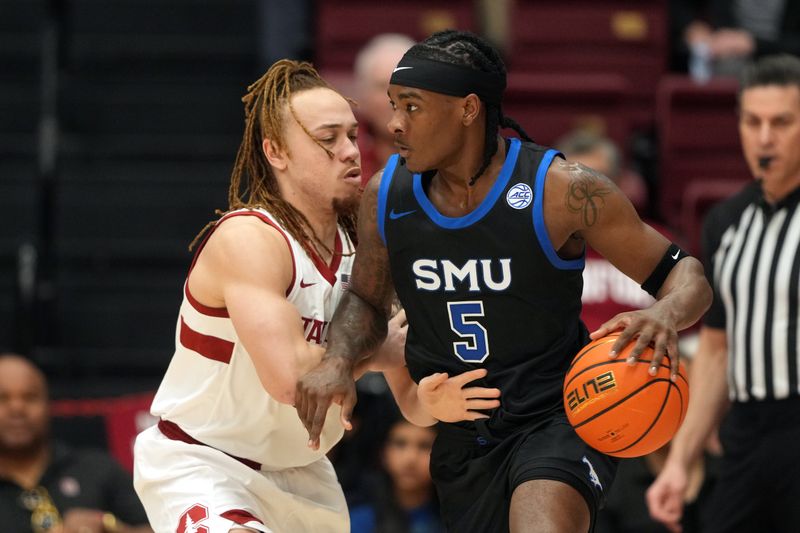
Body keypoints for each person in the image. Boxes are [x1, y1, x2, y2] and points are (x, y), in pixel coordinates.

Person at [295, 29, 713, 533]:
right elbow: (365, 298)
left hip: (557, 414)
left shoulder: (560, 190)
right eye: (392, 105)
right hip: (461, 432)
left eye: (412, 106)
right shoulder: (387, 194)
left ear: (467, 109)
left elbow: (687, 275)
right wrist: (339, 359)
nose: (393, 124)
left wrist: (665, 313)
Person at [132, 59, 489, 533]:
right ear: (276, 152)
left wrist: (434, 403)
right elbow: (290, 380)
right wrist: (374, 351)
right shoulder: (250, 238)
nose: (350, 152)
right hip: (207, 465)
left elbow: (410, 395)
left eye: (352, 134)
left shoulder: (369, 245)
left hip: (307, 475)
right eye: (328, 139)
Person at [647, 54, 800, 533]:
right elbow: (715, 352)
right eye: (752, 122)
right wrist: (680, 461)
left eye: (782, 122)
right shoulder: (726, 221)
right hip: (746, 432)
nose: (765, 138)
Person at [0, 353, 151, 533]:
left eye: (30, 397)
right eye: (3, 398)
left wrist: (110, 526)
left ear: (49, 405)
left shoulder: (98, 469)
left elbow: (168, 526)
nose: (17, 408)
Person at [349, 403, 444, 533]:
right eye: (400, 444)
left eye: (424, 446)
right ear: (383, 453)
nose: (410, 458)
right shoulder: (358, 521)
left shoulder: (459, 520)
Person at [670, 0, 800, 78]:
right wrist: (691, 27)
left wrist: (753, 43)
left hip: (787, 58)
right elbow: (679, 8)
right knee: (728, 68)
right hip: (729, 58)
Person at [354, 33, 416, 183]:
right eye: (383, 87)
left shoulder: (447, 155)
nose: (395, 100)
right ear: (362, 95)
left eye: (405, 86)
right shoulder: (344, 152)